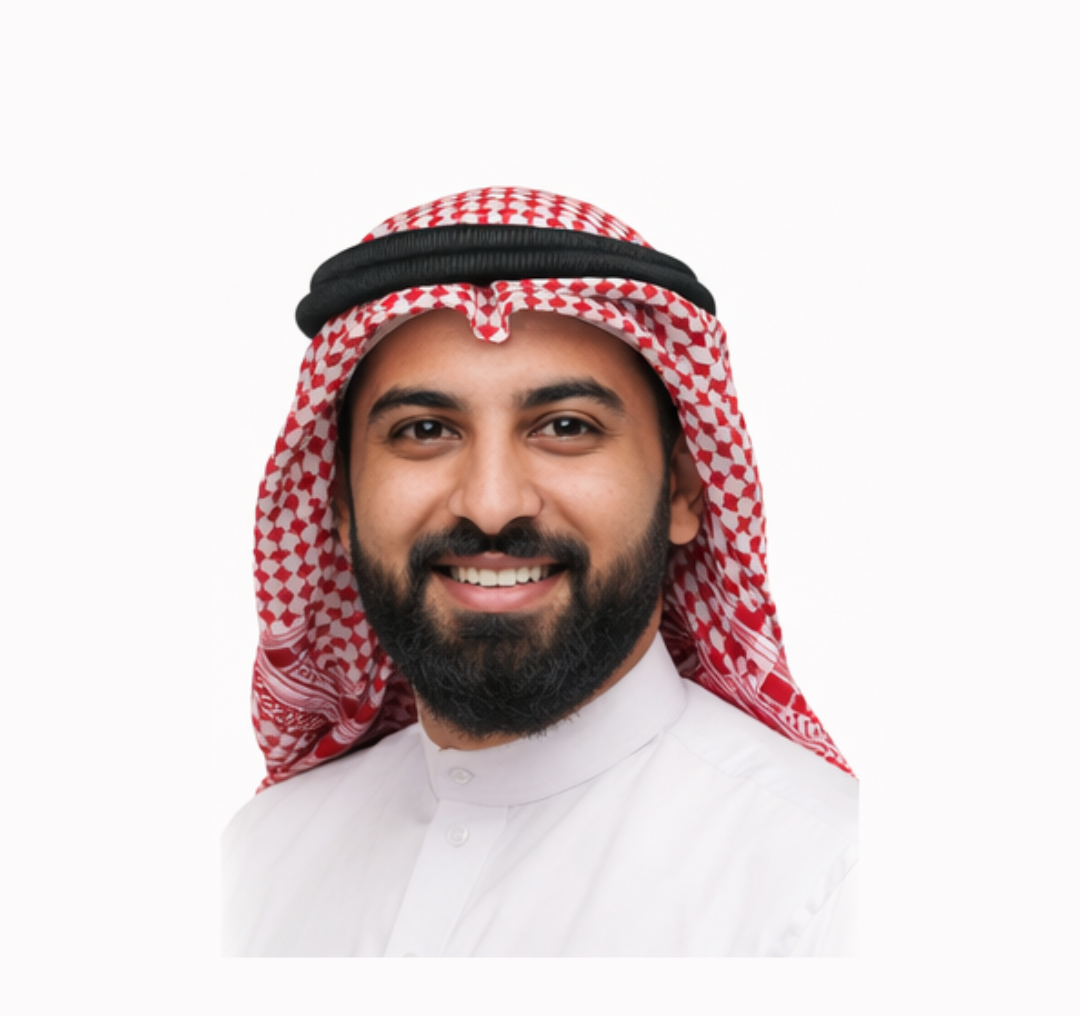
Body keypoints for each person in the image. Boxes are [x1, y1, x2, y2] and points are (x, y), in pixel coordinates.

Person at [223, 187, 858, 957]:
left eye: (565, 427)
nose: (492, 505)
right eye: (424, 430)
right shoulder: (258, 862)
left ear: (684, 492)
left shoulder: (826, 885)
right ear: (342, 505)